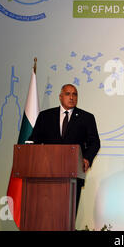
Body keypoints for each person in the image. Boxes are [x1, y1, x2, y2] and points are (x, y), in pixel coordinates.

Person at [29, 84, 100, 212]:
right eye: (68, 94)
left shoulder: (86, 118)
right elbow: (34, 140)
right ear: (60, 97)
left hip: (73, 172)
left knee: (69, 215)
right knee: (47, 214)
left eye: (75, 94)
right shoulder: (45, 116)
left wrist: (86, 159)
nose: (71, 97)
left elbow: (95, 142)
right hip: (47, 173)